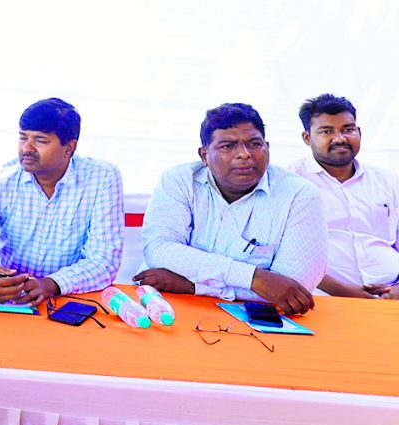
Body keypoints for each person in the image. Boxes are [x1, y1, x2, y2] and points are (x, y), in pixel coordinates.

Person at [138, 103, 327, 315]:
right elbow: (160, 250)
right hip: (167, 303)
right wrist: (255, 278)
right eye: (227, 146)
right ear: (204, 155)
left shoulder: (299, 195)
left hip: (257, 316)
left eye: (254, 144)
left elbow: (292, 290)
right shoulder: (180, 180)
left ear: (267, 147)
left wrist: (193, 286)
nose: (244, 154)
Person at [0, 98, 124, 306]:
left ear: (69, 148)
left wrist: (51, 284)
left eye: (40, 140)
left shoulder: (102, 177)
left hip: (67, 298)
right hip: (8, 298)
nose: (27, 148)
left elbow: (104, 261)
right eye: (23, 137)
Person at [287, 94, 399, 299]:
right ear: (307, 138)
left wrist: (397, 291)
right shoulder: (289, 184)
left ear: (359, 132)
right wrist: (347, 293)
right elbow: (283, 256)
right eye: (326, 131)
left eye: (348, 129)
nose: (340, 138)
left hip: (391, 298)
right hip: (322, 299)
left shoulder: (389, 182)